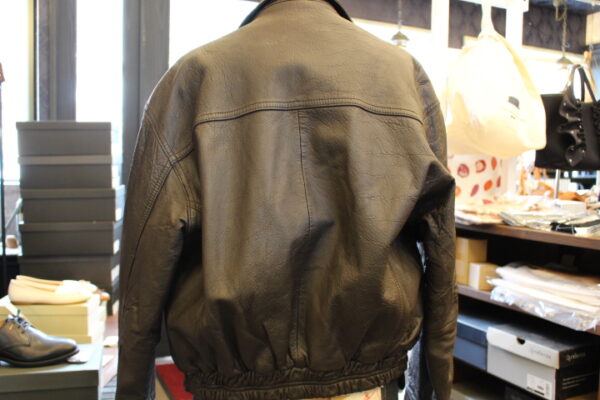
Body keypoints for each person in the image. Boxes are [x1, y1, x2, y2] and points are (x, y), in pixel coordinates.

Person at [116, 1, 457, 399]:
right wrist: (429, 386)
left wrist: (132, 389)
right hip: (363, 384)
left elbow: (144, 267)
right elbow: (440, 247)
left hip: (233, 384)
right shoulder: (402, 74)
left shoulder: (194, 75)